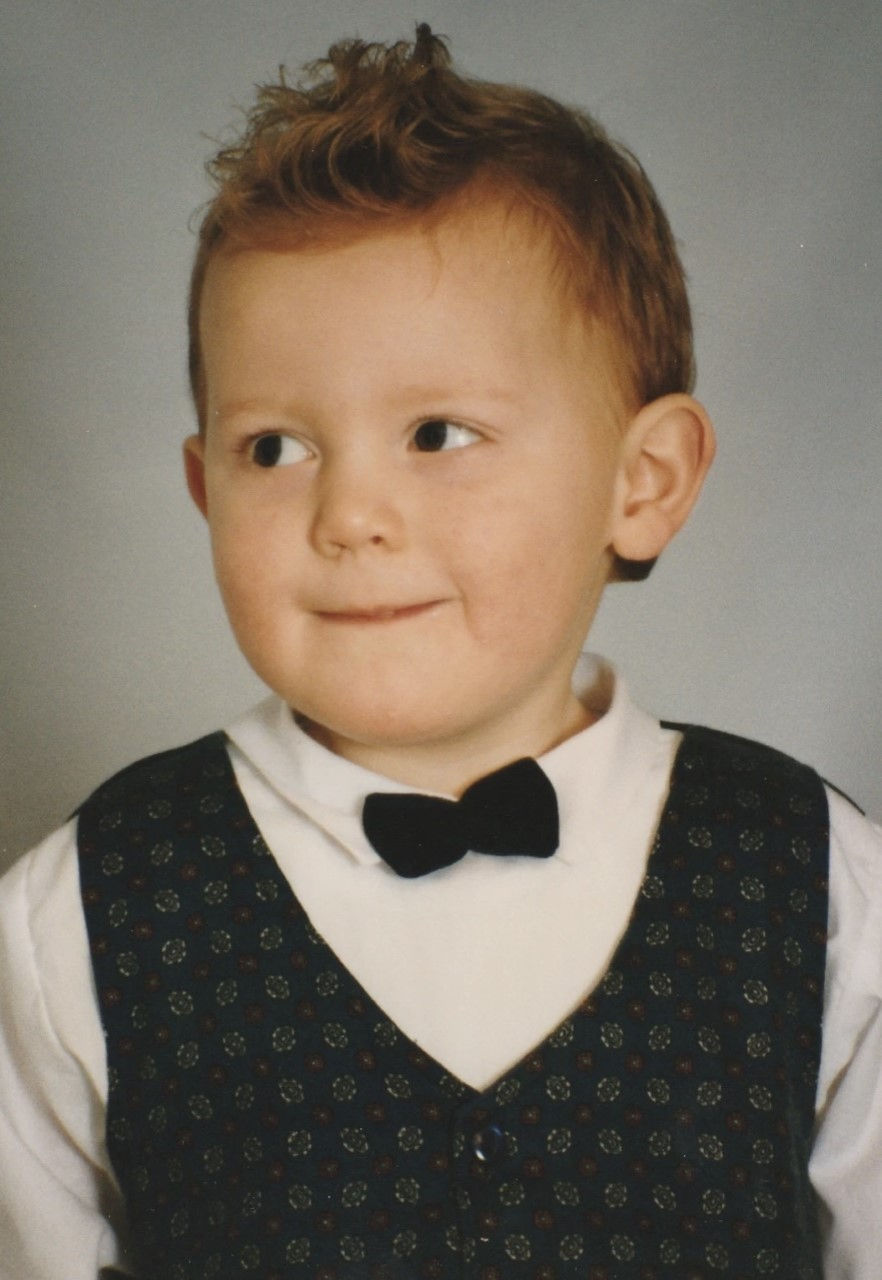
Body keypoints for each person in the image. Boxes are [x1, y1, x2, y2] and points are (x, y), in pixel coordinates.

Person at [0, 24, 879, 1280]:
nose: (350, 514)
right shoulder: (78, 915)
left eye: (437, 433)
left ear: (642, 481)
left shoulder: (821, 886)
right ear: (203, 489)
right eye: (273, 448)